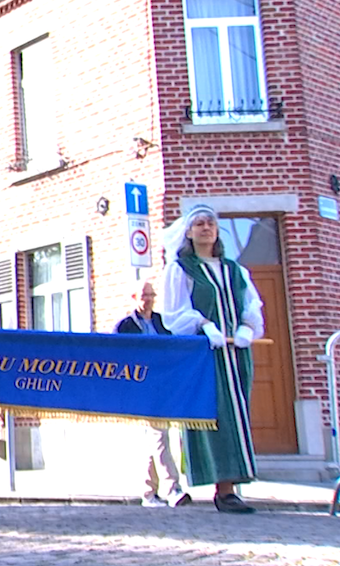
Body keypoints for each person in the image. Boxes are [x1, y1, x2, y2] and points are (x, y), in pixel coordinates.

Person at [161, 205, 265, 514]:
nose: (206, 228)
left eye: (211, 223)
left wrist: (247, 328)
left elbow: (251, 304)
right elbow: (174, 314)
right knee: (215, 415)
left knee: (237, 415)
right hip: (205, 356)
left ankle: (233, 485)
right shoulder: (181, 269)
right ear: (188, 233)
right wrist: (204, 326)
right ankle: (223, 487)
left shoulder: (235, 269)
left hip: (236, 354)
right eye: (199, 224)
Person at [115, 278, 192, 509]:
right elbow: (118, 358)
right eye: (143, 296)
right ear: (133, 298)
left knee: (155, 437)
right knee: (159, 435)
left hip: (163, 387)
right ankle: (173, 488)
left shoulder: (161, 322)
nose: (148, 300)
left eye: (151, 295)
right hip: (141, 389)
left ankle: (149, 493)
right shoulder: (125, 326)